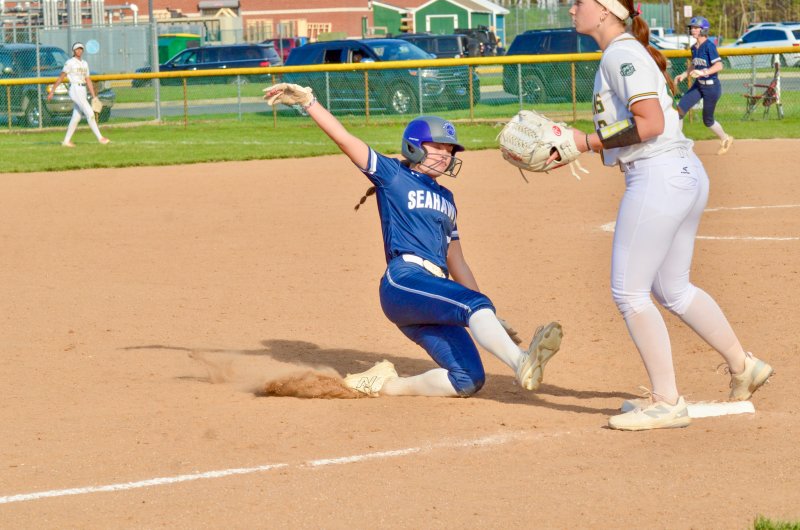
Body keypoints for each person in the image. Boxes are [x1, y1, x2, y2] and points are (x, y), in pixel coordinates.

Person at [263, 82, 563, 398]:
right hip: (404, 281)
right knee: (474, 306)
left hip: (432, 293)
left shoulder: (447, 198)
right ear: (413, 146)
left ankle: (383, 385)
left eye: (450, 151)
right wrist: (310, 103)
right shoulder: (393, 175)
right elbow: (346, 140)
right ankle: (521, 363)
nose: (446, 156)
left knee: (468, 379)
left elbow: (456, 260)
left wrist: (489, 315)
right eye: (439, 147)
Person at [562, 0, 772, 430]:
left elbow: (650, 122)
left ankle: (666, 400)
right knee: (673, 288)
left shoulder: (620, 52)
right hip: (681, 171)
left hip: (658, 174)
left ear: (605, 11)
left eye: (580, 2)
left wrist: (584, 142)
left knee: (629, 293)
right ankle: (742, 365)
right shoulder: (624, 51)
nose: (571, 9)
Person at [675, 16, 733, 155]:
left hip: (712, 88)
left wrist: (703, 72)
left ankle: (725, 138)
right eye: (692, 27)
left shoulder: (709, 46)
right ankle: (677, 143)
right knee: (679, 111)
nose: (692, 30)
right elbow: (694, 64)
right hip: (698, 85)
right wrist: (684, 74)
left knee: (707, 120)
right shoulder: (694, 47)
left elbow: (719, 65)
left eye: (695, 27)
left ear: (703, 30)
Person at [47, 42, 110, 147]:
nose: (79, 50)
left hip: (83, 89)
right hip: (75, 88)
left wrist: (94, 96)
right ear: (73, 51)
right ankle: (100, 138)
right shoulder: (70, 62)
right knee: (90, 113)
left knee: (76, 117)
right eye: (77, 49)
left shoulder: (85, 63)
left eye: (81, 49)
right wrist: (53, 90)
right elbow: (61, 77)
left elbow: (88, 80)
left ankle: (66, 141)